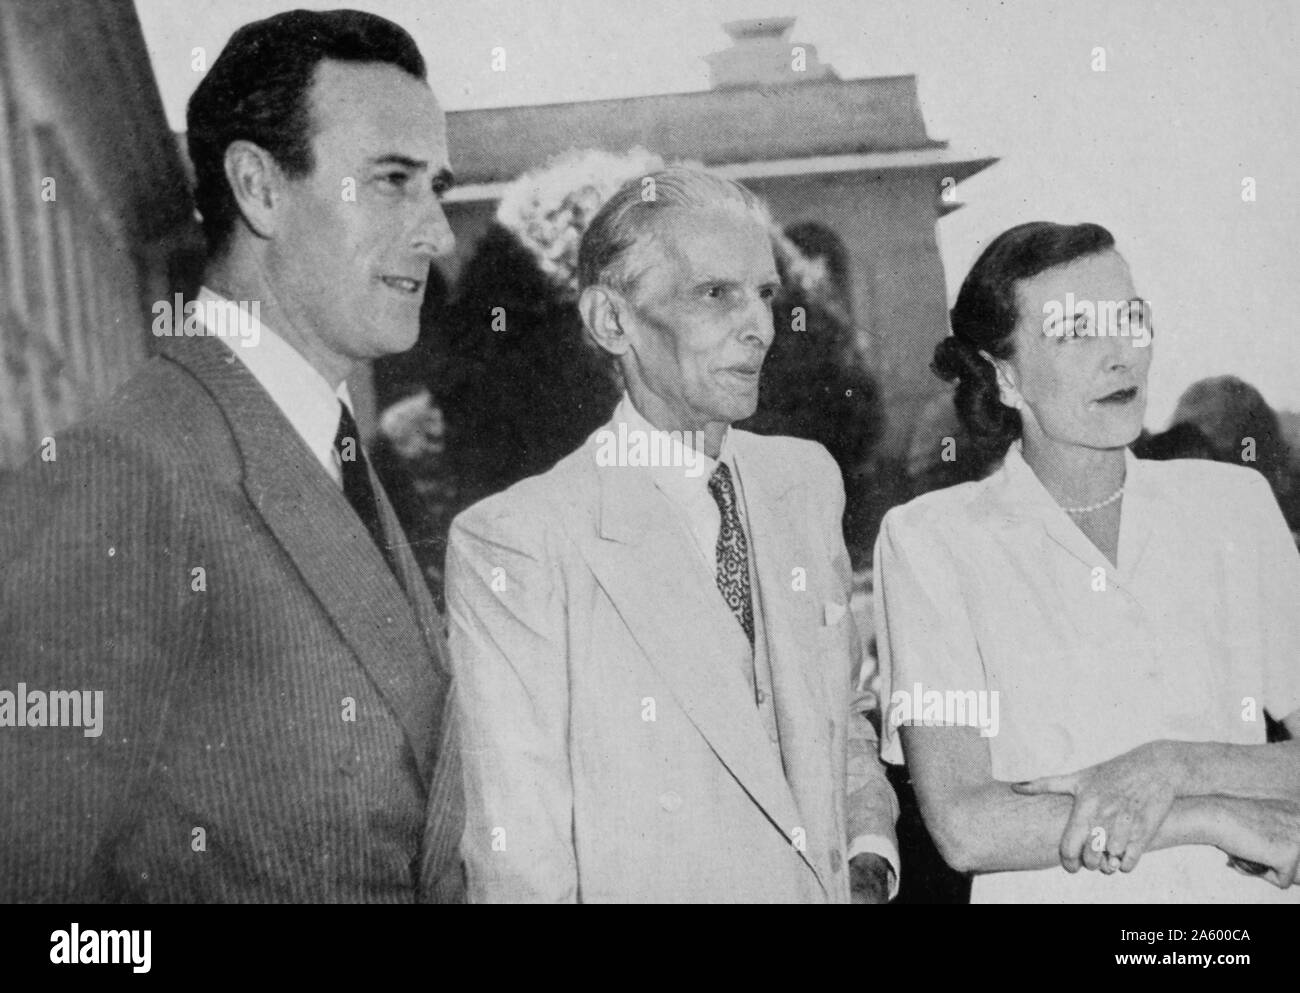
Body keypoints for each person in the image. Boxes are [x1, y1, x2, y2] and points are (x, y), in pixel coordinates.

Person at [0, 9, 463, 902]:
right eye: (394, 181)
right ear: (258, 187)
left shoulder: (326, 448)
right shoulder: (129, 474)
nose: (437, 233)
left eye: (437, 186)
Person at [445, 167, 899, 902]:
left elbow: (839, 719)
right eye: (716, 293)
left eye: (765, 293)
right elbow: (519, 863)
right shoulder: (521, 542)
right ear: (611, 321)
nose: (760, 325)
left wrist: (868, 849)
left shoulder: (805, 482)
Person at [873, 221, 1300, 903]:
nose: (1120, 355)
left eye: (1130, 318)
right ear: (1006, 376)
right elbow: (965, 825)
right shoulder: (931, 542)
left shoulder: (1234, 508)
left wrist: (1171, 764)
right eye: (1075, 331)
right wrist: (1208, 813)